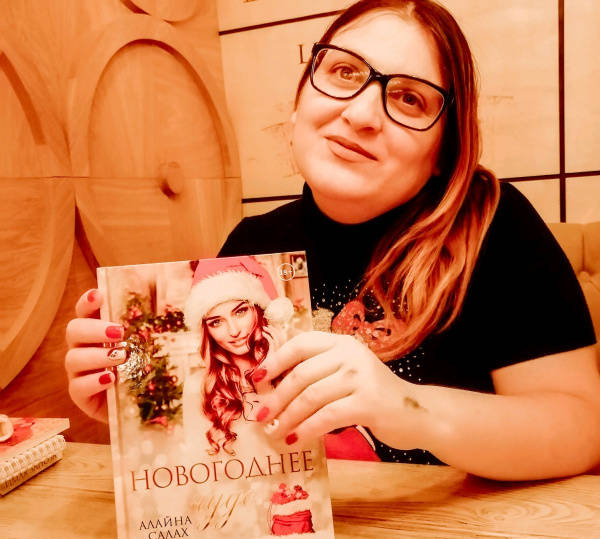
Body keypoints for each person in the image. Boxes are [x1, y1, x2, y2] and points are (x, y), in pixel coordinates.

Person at [65, 0, 600, 481]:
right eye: (344, 72)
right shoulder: (253, 244)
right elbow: (225, 434)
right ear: (300, 101)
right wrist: (140, 405)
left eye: (409, 99)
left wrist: (404, 407)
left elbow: (582, 428)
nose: (361, 114)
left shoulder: (494, 224)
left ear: (444, 149)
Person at [181, 256, 292, 456]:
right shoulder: (197, 388)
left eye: (240, 312)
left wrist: (266, 382)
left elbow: (297, 453)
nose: (233, 331)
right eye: (216, 322)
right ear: (207, 331)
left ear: (259, 310)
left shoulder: (293, 372)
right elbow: (197, 462)